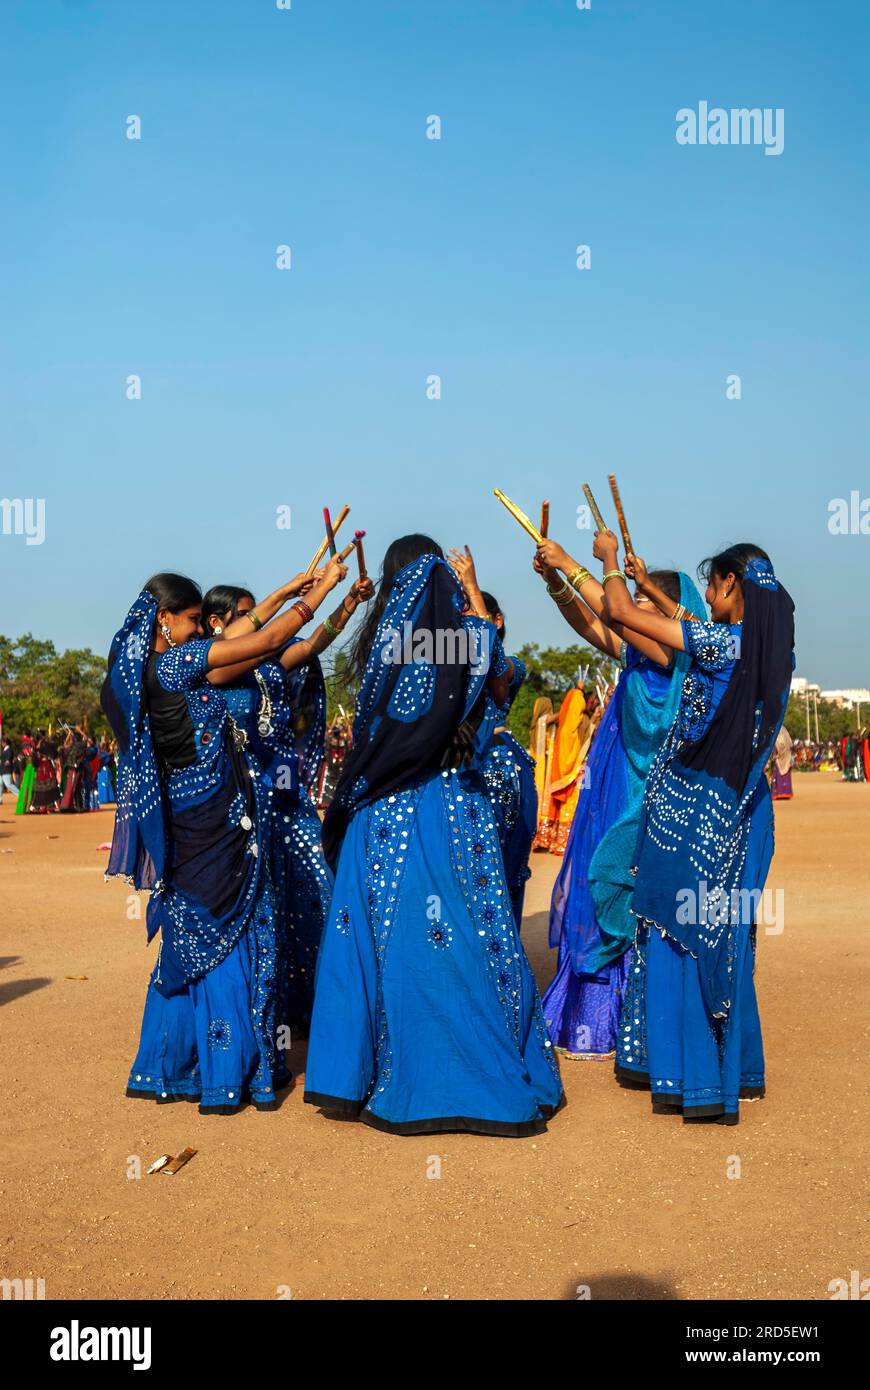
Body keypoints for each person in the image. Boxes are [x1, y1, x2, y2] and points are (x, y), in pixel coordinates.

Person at [303, 534, 563, 1136]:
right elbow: (499, 676)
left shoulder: (382, 647)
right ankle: (483, 1078)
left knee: (389, 948)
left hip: (383, 815)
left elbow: (377, 734)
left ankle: (371, 1079)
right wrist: (472, 595)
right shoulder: (474, 641)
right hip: (455, 806)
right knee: (468, 941)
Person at [101, 561, 348, 1115]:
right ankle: (233, 1071)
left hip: (185, 820)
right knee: (236, 934)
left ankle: (168, 1067)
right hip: (217, 822)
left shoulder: (142, 670)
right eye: (190, 620)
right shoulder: (179, 664)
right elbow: (265, 639)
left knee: (190, 937)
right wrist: (324, 591)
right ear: (165, 619)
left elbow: (239, 636)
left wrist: (287, 589)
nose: (197, 629)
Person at [593, 533, 794, 1124]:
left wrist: (607, 564)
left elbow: (620, 614)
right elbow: (690, 625)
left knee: (678, 928)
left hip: (694, 810)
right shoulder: (771, 654)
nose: (705, 596)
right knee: (724, 933)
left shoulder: (716, 643)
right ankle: (733, 1071)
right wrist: (652, 583)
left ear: (731, 584)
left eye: (712, 584)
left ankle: (689, 1077)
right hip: (745, 812)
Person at [533, 537, 705, 1059]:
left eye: (646, 601)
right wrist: (555, 584)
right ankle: (595, 1020)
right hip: (615, 790)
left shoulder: (674, 653)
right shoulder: (639, 652)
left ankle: (635, 1022)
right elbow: (594, 624)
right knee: (600, 883)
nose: (633, 607)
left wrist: (585, 561)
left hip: (646, 798)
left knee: (622, 890)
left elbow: (614, 608)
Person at [201, 570, 373, 1035]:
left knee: (317, 886)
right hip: (244, 802)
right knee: (265, 901)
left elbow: (315, 643)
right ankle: (266, 1008)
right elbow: (281, 627)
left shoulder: (269, 658)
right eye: (247, 615)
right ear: (217, 622)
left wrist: (349, 602)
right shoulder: (213, 667)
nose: (261, 621)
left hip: (287, 796)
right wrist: (313, 588)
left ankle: (319, 1006)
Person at [448, 547, 537, 927]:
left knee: (502, 871)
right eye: (460, 609)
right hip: (460, 766)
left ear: (495, 621)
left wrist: (472, 585)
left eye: (470, 609)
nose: (463, 617)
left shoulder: (514, 667)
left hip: (501, 769)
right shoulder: (450, 662)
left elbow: (496, 667)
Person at [30, 737, 61, 814]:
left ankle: (46, 806)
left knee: (48, 787)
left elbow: (35, 757)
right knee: (49, 787)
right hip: (45, 767)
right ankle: (47, 806)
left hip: (44, 768)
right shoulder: (47, 745)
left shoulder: (42, 746)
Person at [769, 725, 794, 800]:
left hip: (780, 758)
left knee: (778, 775)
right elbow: (789, 744)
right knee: (784, 775)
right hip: (786, 757)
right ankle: (785, 792)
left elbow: (777, 745)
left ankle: (779, 792)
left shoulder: (776, 732)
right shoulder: (783, 730)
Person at [1, 735, 19, 803]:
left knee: (9, 785)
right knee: (0, 785)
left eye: (2, 742)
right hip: (2, 770)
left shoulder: (9, 750)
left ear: (5, 742)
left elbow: (9, 758)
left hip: (6, 770)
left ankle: (20, 795)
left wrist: (7, 761)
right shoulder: (4, 750)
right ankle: (0, 799)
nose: (1, 744)